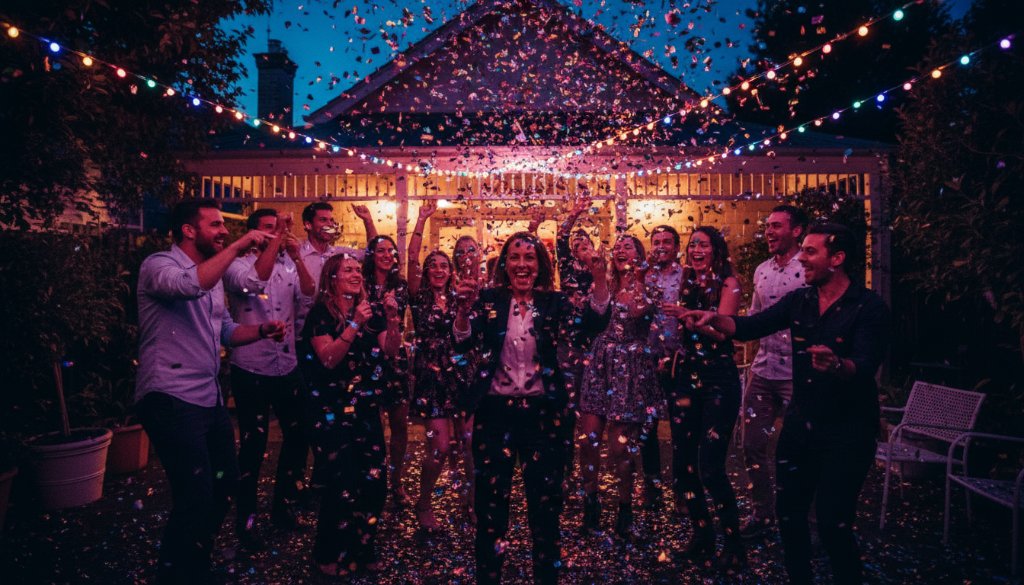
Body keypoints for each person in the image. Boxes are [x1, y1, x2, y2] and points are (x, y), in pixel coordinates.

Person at [681, 223, 889, 585]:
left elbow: (866, 364)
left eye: (810, 252)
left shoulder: (868, 307)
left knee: (832, 523)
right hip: (800, 426)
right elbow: (749, 326)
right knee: (789, 519)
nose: (801, 260)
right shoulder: (800, 301)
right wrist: (714, 318)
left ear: (837, 259)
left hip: (848, 431)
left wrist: (838, 364)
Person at [135, 200, 285, 585]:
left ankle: (195, 561)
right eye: (216, 225)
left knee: (225, 483)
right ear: (189, 230)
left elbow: (224, 332)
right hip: (169, 397)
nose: (223, 231)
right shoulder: (158, 266)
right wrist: (237, 246)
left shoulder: (214, 277)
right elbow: (188, 286)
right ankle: (173, 575)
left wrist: (262, 331)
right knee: (195, 493)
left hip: (208, 399)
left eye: (224, 226)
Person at [453, 232, 577, 585]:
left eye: (529, 258)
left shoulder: (555, 303)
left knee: (545, 509)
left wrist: (599, 280)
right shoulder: (488, 299)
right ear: (504, 265)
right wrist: (463, 311)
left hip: (543, 415)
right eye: (515, 257)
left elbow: (591, 325)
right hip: (495, 414)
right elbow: (462, 340)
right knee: (491, 510)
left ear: (541, 265)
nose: (522, 264)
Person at [298, 253, 402, 577]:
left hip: (366, 408)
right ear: (332, 277)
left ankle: (363, 546)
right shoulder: (320, 314)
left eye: (359, 269)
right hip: (329, 411)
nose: (357, 274)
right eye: (349, 270)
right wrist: (354, 322)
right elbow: (328, 358)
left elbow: (391, 350)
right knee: (340, 481)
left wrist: (393, 319)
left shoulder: (371, 313)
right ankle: (327, 553)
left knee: (374, 481)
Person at [223, 208, 315, 550]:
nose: (275, 234)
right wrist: (279, 240)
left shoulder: (288, 264)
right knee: (252, 447)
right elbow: (254, 283)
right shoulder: (236, 266)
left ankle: (283, 506)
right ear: (252, 234)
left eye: (277, 230)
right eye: (268, 229)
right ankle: (246, 523)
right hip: (251, 367)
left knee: (300, 433)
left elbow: (308, 295)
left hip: (287, 364)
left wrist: (297, 257)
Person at [660, 226, 746, 569]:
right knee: (683, 467)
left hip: (718, 379)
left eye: (703, 245)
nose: (696, 249)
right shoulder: (687, 281)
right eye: (692, 244)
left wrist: (689, 319)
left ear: (716, 250)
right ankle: (702, 535)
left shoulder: (729, 283)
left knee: (711, 467)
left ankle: (733, 543)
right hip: (685, 376)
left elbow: (723, 331)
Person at [577, 235, 663, 538]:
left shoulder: (649, 286)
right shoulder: (605, 283)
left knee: (619, 448)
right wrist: (599, 275)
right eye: (619, 246)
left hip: (629, 369)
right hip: (600, 363)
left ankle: (625, 509)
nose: (621, 249)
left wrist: (638, 276)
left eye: (629, 246)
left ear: (640, 255)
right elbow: (597, 312)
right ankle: (591, 502)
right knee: (588, 441)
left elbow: (639, 311)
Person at [740, 205, 809, 539]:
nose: (768, 231)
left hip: (797, 376)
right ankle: (761, 513)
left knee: (798, 448)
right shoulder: (762, 271)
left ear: (796, 231)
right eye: (767, 226)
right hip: (764, 372)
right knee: (753, 443)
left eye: (776, 226)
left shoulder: (808, 268)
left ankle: (799, 517)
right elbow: (754, 318)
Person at [407, 203, 476, 532]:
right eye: (432, 265)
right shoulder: (418, 296)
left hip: (462, 372)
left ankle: (472, 503)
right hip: (432, 378)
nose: (438, 269)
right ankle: (423, 503)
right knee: (440, 446)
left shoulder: (459, 295)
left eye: (443, 265)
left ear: (451, 270)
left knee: (470, 442)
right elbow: (410, 259)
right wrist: (422, 218)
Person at [362, 234, 413, 509]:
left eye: (390, 251)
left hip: (395, 355)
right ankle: (374, 478)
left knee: (399, 424)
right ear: (371, 254)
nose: (386, 255)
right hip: (367, 357)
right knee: (373, 423)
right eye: (380, 250)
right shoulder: (362, 282)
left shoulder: (400, 285)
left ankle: (397, 482)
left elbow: (393, 318)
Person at [641, 225, 685, 508]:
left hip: (679, 358)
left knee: (682, 425)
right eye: (656, 242)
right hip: (649, 357)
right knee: (648, 426)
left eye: (666, 242)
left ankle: (683, 490)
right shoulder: (643, 276)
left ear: (676, 247)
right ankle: (652, 486)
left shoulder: (686, 275)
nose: (660, 246)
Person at [295, 201, 377, 331]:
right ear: (308, 224)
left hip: (334, 328)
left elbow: (372, 254)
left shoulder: (340, 254)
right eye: (323, 220)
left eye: (331, 221)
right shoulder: (297, 254)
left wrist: (368, 221)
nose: (329, 225)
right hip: (300, 329)